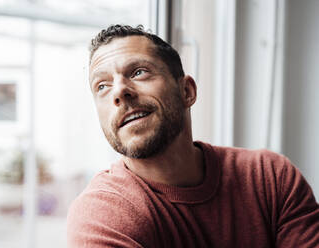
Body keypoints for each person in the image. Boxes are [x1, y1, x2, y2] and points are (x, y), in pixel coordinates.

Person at [67, 24, 319, 248]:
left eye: (139, 72)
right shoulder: (102, 214)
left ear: (187, 91)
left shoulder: (270, 177)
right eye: (102, 86)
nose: (119, 91)